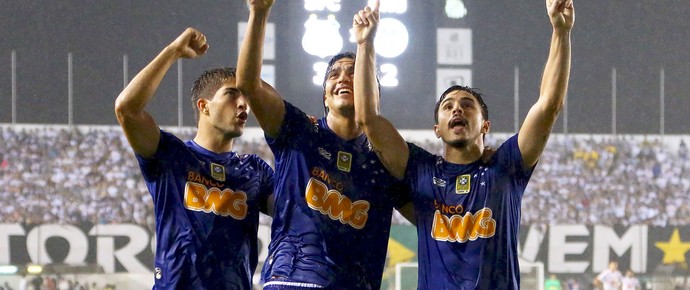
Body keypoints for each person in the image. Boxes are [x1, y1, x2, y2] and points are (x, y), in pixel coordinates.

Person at [352, 0, 574, 288]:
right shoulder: (420, 170)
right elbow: (367, 118)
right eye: (448, 106)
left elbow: (549, 105)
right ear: (437, 130)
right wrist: (365, 44)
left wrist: (561, 32)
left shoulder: (505, 167)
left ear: (485, 125)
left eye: (467, 105)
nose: (457, 109)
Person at [236, 1, 410, 289]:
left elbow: (431, 218)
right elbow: (248, 84)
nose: (343, 77)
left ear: (372, 93)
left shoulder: (387, 161)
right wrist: (259, 12)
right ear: (326, 97)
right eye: (334, 74)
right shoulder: (298, 130)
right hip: (291, 281)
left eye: (353, 73)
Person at [114, 28, 274, 289]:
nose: (243, 104)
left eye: (246, 97)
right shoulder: (171, 155)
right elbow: (126, 108)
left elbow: (298, 212)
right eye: (232, 94)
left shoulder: (255, 170)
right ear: (204, 106)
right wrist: (172, 52)